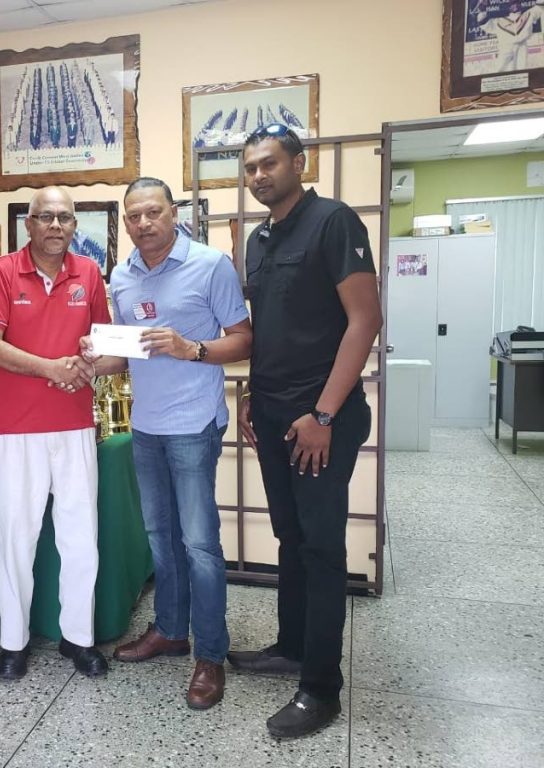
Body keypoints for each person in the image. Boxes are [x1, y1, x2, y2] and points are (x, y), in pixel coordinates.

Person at [229, 125, 382, 738]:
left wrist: (322, 415)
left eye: (270, 163)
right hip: (271, 412)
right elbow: (271, 324)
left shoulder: (334, 222)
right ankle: (291, 648)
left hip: (319, 420)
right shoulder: (259, 239)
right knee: (290, 538)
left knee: (320, 550)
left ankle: (321, 689)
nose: (260, 175)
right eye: (250, 168)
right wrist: (249, 390)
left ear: (298, 162)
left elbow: (364, 320)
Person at [84, 177, 251, 710]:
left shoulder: (210, 265)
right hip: (147, 426)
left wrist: (191, 348)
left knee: (200, 544)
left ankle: (211, 654)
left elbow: (245, 339)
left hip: (195, 423)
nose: (143, 224)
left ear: (173, 213)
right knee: (161, 537)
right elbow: (127, 354)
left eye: (153, 212)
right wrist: (84, 361)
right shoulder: (122, 276)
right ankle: (171, 632)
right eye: (133, 216)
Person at [0, 186, 111, 681]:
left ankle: (79, 639)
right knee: (16, 536)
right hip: (16, 429)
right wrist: (51, 368)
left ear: (76, 226)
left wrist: (89, 365)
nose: (55, 225)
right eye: (45, 217)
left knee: (81, 538)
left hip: (75, 426)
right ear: (27, 225)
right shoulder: (2, 272)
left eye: (65, 218)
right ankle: (14, 643)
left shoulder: (90, 273)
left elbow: (109, 349)